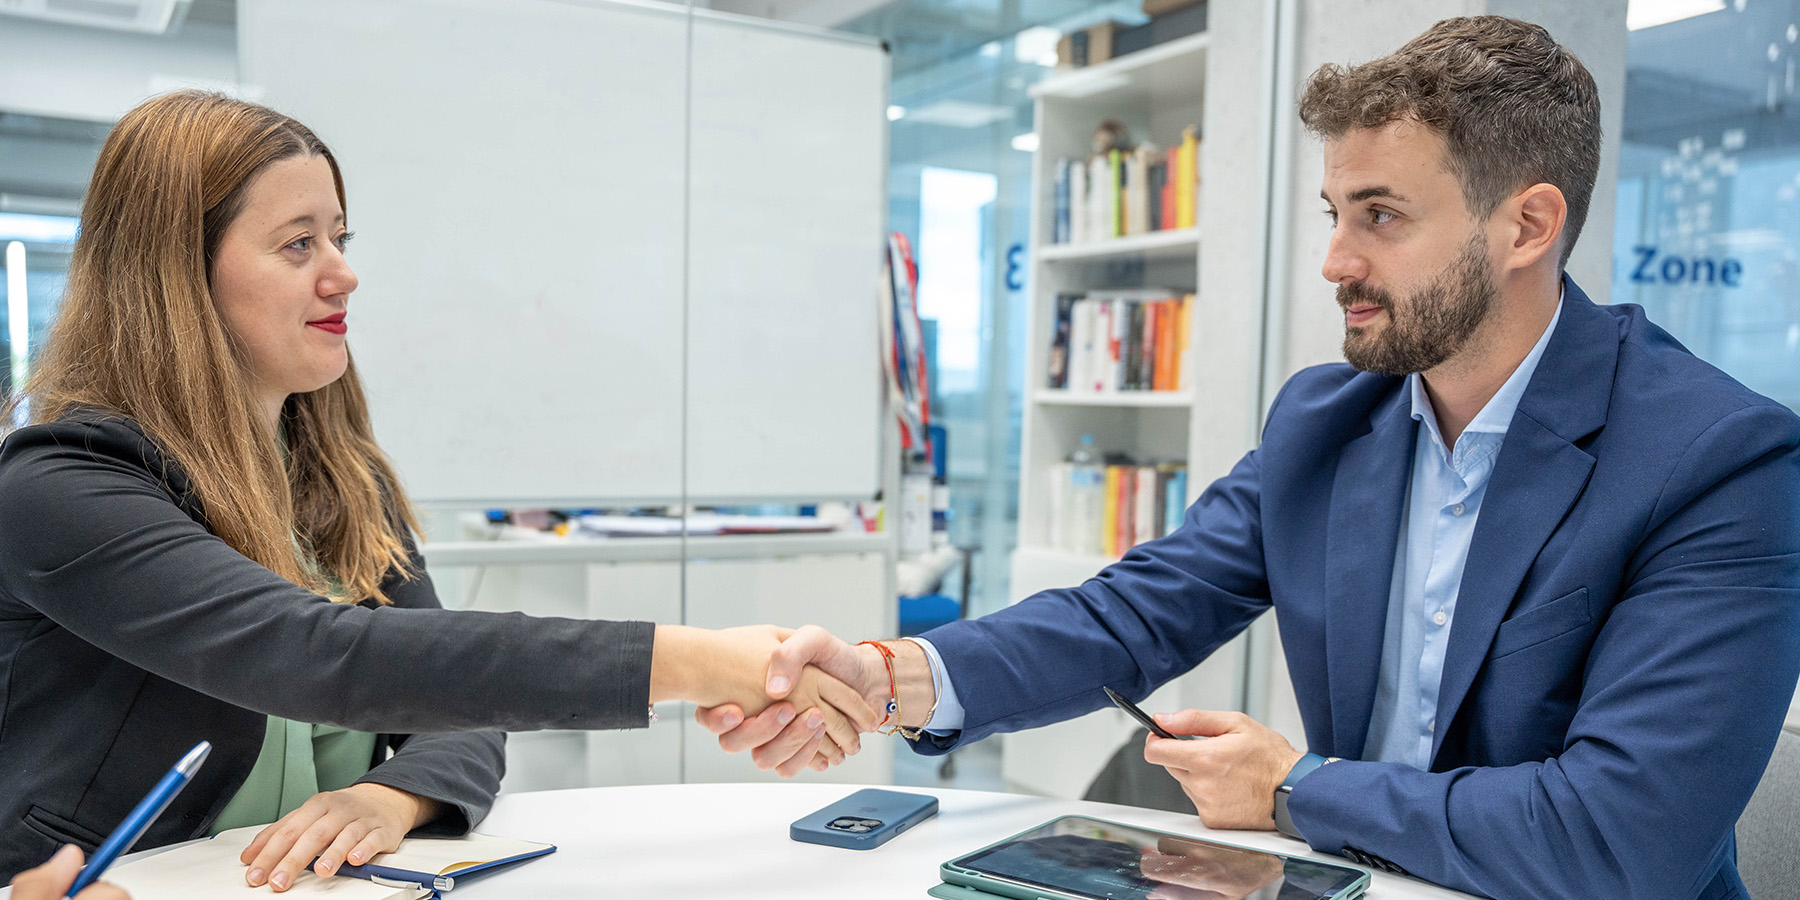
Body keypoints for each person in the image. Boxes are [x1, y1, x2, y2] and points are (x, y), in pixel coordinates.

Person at [704, 16, 1800, 900]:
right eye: (1334, 212)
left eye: (1380, 216)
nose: (1335, 260)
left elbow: (1621, 841)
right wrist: (895, 677)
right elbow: (1131, 616)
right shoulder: (1328, 419)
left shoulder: (1718, 461)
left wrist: (1296, 790)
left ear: (1527, 226)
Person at [0, 90, 874, 900]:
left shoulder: (334, 473)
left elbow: (454, 696)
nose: (344, 272)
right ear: (178, 277)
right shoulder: (64, 482)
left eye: (338, 235)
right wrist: (700, 662)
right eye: (298, 244)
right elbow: (315, 655)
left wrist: (393, 796)